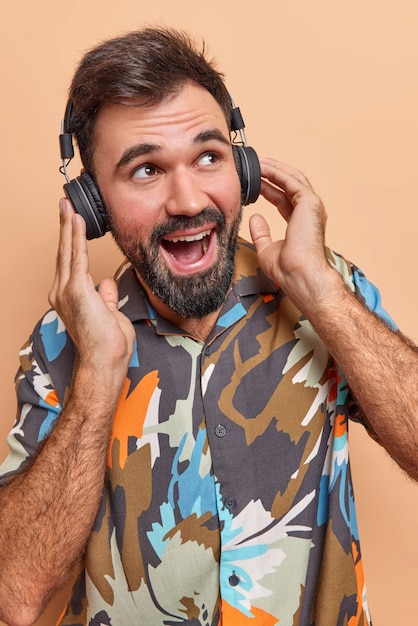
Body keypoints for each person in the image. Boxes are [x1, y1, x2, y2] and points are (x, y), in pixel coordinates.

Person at [0, 26, 416, 626]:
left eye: (208, 157)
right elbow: (15, 596)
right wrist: (95, 380)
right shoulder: (62, 342)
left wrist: (323, 295)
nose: (189, 199)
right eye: (145, 170)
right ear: (94, 206)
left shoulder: (324, 292)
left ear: (242, 167)